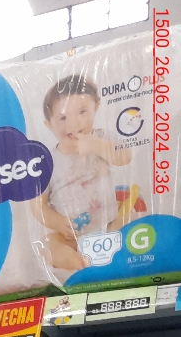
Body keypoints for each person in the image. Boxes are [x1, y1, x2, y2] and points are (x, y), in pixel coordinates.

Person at [30, 75, 135, 272]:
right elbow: (37, 205)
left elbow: (125, 156)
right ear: (49, 124)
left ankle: (116, 254)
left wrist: (96, 145)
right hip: (73, 236)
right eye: (63, 118)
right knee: (46, 245)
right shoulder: (46, 162)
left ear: (95, 107)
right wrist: (58, 223)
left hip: (110, 225)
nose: (74, 123)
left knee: (134, 217)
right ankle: (79, 263)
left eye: (82, 111)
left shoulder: (101, 137)